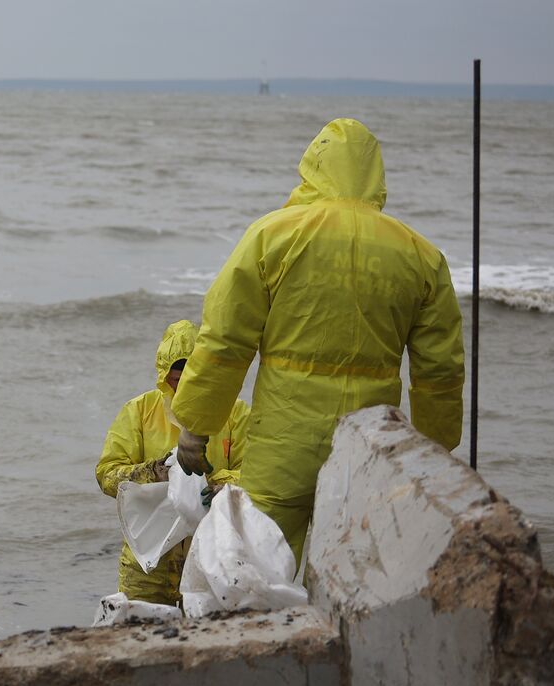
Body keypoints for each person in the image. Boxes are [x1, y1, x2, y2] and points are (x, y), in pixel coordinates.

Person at [171, 118, 465, 563]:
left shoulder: (273, 235)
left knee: (257, 561)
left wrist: (197, 426)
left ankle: (265, 631)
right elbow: (440, 369)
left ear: (313, 166)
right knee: (352, 565)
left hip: (284, 441)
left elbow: (225, 341)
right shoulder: (420, 254)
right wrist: (434, 447)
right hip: (366, 445)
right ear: (375, 175)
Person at [96, 320, 249, 605]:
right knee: (138, 631)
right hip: (147, 559)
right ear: (164, 373)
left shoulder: (234, 413)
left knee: (208, 632)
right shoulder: (139, 411)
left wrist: (220, 486)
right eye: (175, 376)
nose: (181, 383)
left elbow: (257, 472)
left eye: (189, 374)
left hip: (212, 556)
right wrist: (155, 471)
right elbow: (107, 474)